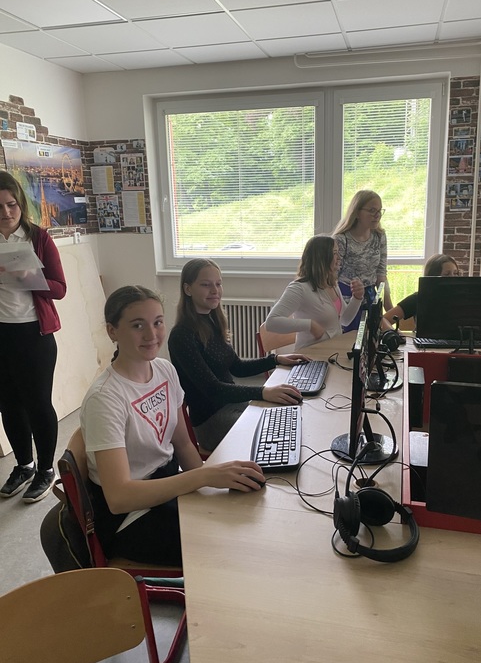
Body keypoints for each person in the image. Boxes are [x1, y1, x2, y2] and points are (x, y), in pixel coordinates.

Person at [80, 285, 266, 566]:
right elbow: (119, 498)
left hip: (169, 488)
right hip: (132, 518)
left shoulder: (165, 370)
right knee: (233, 548)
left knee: (243, 514)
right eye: (137, 325)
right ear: (112, 331)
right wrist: (204, 478)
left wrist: (210, 486)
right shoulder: (104, 399)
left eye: (157, 322)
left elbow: (183, 445)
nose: (151, 335)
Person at [168, 259, 306, 453]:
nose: (215, 290)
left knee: (290, 415)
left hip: (233, 405)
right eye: (206, 285)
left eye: (218, 284)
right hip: (211, 422)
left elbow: (237, 367)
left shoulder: (212, 321)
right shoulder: (181, 336)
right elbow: (214, 390)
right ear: (188, 289)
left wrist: (275, 360)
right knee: (275, 433)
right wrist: (263, 392)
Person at [0, 170, 67, 503]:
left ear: (20, 204)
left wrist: (28, 276)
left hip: (33, 334)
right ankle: (24, 466)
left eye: (11, 204)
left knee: (38, 404)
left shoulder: (38, 239)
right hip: (1, 334)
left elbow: (60, 288)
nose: (6, 212)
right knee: (8, 404)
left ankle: (45, 469)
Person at [265, 235, 364, 350]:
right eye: (334, 253)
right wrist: (310, 325)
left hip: (332, 350)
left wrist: (357, 298)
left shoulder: (332, 284)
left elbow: (345, 320)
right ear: (322, 258)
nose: (339, 258)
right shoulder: (299, 288)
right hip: (310, 354)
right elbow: (271, 323)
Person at [333, 189, 393, 330]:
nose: (377, 215)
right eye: (372, 210)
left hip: (371, 297)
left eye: (379, 211)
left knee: (372, 338)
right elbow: (332, 276)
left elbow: (381, 274)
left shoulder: (379, 236)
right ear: (357, 212)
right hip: (346, 298)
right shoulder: (342, 239)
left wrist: (389, 307)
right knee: (349, 339)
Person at [383, 253, 459, 327]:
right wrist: (394, 333)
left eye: (455, 273)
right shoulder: (418, 298)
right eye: (447, 274)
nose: (453, 278)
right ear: (433, 276)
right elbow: (384, 319)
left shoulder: (462, 298)